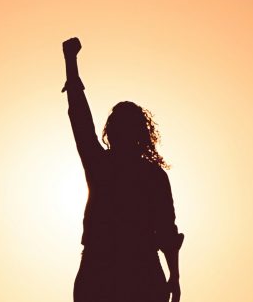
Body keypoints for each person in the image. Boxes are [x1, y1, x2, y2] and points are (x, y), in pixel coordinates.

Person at [62, 37, 184, 302]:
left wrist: (70, 63)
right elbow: (167, 233)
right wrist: (174, 276)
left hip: (115, 270)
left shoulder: (103, 165)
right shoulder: (149, 174)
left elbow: (166, 231)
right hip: (123, 270)